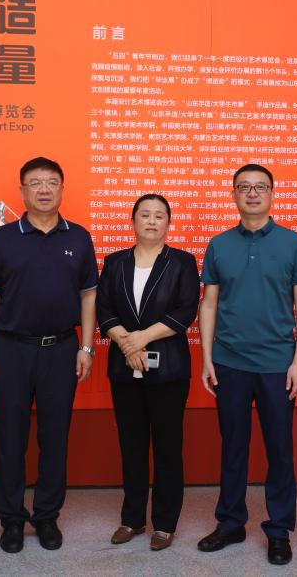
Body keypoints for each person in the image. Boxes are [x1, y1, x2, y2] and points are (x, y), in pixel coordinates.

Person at [196, 164, 297, 566]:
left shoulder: (293, 243)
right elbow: (209, 304)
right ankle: (230, 522)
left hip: (277, 364)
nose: (252, 193)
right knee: (233, 446)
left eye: (259, 187)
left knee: (279, 450)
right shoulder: (219, 245)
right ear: (233, 194)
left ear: (271, 194)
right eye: (244, 187)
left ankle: (279, 530)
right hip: (229, 362)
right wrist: (207, 357)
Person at [0, 157, 98, 554]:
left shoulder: (79, 237)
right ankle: (11, 519)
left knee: (54, 438)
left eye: (51, 182)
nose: (44, 189)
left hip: (61, 349)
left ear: (62, 188)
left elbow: (89, 295)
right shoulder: (2, 239)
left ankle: (47, 516)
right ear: (22, 190)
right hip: (11, 350)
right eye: (35, 182)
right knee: (10, 439)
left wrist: (85, 347)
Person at [97, 194, 200, 551]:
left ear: (168, 223)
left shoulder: (182, 262)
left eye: (159, 216)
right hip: (124, 368)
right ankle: (132, 519)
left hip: (169, 369)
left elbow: (186, 310)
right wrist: (128, 345)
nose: (152, 221)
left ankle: (165, 523)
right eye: (145, 215)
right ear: (133, 221)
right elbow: (104, 308)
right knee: (132, 445)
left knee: (168, 446)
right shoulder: (115, 263)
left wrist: (141, 338)